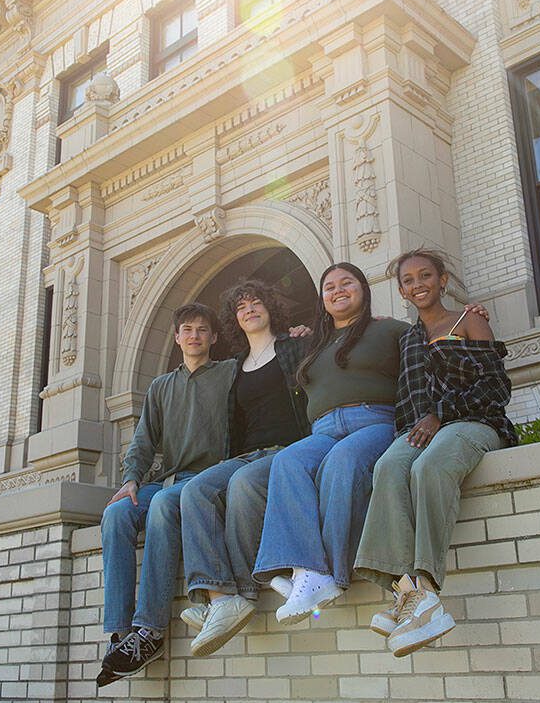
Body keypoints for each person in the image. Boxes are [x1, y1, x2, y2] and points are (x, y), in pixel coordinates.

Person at [354, 248, 515, 657]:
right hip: (419, 430)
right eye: (408, 280)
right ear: (402, 291)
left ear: (442, 280)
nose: (418, 284)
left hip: (474, 425)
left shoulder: (470, 320)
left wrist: (440, 415)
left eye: (426, 275)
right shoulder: (406, 338)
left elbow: (497, 389)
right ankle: (403, 590)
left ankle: (425, 590)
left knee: (429, 466)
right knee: (389, 467)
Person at [248, 261, 410, 622]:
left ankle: (330, 574)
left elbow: (429, 346)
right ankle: (305, 570)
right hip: (323, 429)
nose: (338, 290)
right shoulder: (314, 343)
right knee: (287, 462)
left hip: (374, 420)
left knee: (344, 460)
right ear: (322, 300)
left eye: (346, 283)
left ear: (363, 290)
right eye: (329, 287)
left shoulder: (391, 330)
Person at [97, 303, 234, 687]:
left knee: (160, 505)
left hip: (208, 480)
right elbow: (142, 442)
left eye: (202, 330)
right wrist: (130, 480)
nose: (194, 335)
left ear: (213, 337)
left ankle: (151, 630)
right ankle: (121, 633)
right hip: (169, 480)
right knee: (117, 515)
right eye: (187, 329)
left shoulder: (229, 373)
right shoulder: (161, 386)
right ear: (177, 337)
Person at [178, 280, 312, 655]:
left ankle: (243, 591)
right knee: (195, 490)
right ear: (234, 320)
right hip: (245, 454)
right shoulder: (234, 367)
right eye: (241, 307)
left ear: (270, 307)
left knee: (243, 484)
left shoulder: (293, 345)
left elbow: (335, 342)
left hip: (287, 449)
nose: (249, 309)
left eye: (256, 302)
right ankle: (218, 596)